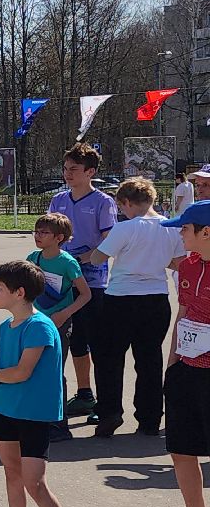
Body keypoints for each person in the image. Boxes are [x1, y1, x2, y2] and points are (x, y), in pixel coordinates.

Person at [0, 260, 79, 507]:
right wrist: (0, 380)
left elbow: (22, 372)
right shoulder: (5, 326)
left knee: (35, 483)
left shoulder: (39, 326)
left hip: (33, 414)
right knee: (12, 474)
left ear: (20, 292)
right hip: (5, 410)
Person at [85, 177, 183, 437]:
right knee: (150, 359)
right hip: (156, 297)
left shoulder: (125, 228)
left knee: (109, 358)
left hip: (121, 297)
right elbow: (176, 261)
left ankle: (110, 412)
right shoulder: (170, 226)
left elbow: (98, 257)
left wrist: (89, 253)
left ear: (127, 202)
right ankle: (150, 418)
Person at [154, 200, 210, 507]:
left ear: (207, 232)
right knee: (181, 449)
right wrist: (173, 360)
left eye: (185, 228)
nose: (179, 233)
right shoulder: (187, 265)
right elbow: (185, 312)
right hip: (188, 370)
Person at [51, 143, 117, 422]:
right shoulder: (59, 200)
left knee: (92, 341)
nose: (68, 174)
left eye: (74, 169)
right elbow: (50, 234)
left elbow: (110, 240)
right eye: (66, 169)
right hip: (60, 282)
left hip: (91, 284)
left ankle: (104, 403)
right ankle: (84, 394)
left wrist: (85, 259)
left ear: (90, 172)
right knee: (68, 341)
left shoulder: (103, 202)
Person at [27, 212, 93, 440]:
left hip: (59, 323)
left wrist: (64, 313)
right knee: (32, 368)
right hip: (35, 321)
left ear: (59, 237)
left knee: (54, 371)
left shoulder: (67, 262)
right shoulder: (33, 258)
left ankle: (59, 425)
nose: (38, 236)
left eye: (44, 232)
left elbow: (85, 294)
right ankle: (37, 418)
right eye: (37, 231)